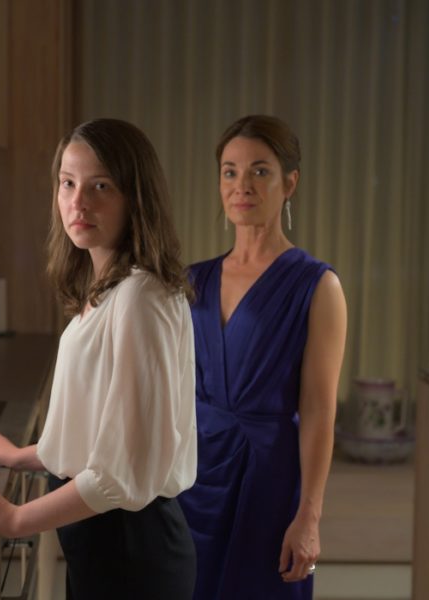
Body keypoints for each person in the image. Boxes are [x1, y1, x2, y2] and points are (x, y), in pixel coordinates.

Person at [0, 118, 198, 599]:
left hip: (130, 551)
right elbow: (102, 428)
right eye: (68, 183)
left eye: (100, 186)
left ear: (136, 197)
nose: (78, 202)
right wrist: (31, 455)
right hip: (106, 542)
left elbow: (124, 471)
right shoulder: (112, 286)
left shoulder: (139, 297)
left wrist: (17, 518)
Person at [177, 114, 347, 600]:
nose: (242, 185)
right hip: (192, 482)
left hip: (268, 485)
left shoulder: (317, 285)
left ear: (289, 183)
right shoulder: (192, 281)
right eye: (230, 172)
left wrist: (309, 515)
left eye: (259, 171)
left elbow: (319, 410)